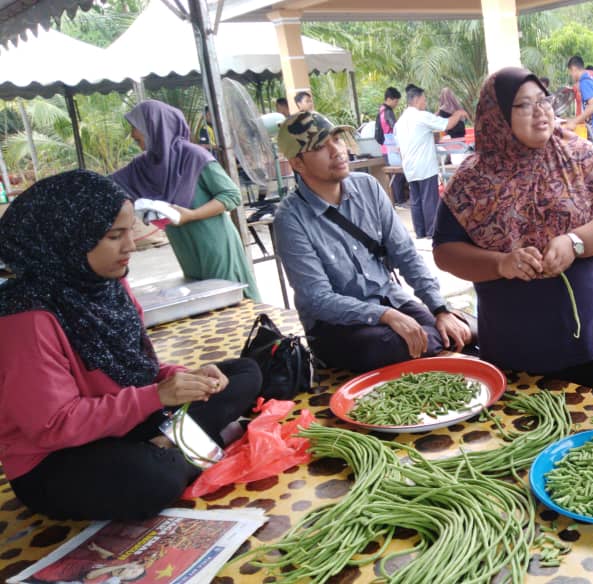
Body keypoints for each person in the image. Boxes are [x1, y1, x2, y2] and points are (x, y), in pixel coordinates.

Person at [0, 170, 262, 521]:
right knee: (153, 479)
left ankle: (173, 446)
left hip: (124, 423)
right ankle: (186, 445)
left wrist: (184, 377)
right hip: (55, 458)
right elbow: (53, 426)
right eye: (114, 236)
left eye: (129, 232)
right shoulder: (25, 319)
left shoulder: (108, 286)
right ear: (68, 239)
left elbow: (142, 369)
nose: (131, 246)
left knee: (245, 372)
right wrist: (158, 397)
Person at [434, 67, 593, 391]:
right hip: (513, 352)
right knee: (528, 436)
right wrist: (500, 264)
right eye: (524, 105)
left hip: (592, 342)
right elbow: (445, 251)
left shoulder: (580, 157)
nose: (541, 112)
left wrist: (576, 242)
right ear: (497, 114)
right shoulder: (472, 180)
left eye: (543, 101)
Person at [273, 111, 473, 372]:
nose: (337, 151)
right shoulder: (290, 219)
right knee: (384, 346)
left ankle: (437, 335)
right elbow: (317, 299)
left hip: (391, 300)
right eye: (321, 147)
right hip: (337, 325)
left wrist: (439, 309)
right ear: (298, 164)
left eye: (337, 139)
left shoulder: (367, 187)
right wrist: (385, 316)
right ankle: (429, 340)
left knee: (459, 330)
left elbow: (405, 255)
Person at [112, 100, 260, 300]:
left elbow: (231, 195)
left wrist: (192, 215)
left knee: (230, 297)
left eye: (135, 127)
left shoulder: (193, 156)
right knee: (204, 300)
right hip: (183, 245)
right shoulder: (145, 165)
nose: (132, 135)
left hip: (213, 242)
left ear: (155, 126)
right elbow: (110, 185)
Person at [394, 84, 468, 238]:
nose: (425, 103)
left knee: (416, 200)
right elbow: (447, 124)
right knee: (429, 199)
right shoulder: (421, 116)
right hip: (425, 165)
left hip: (409, 167)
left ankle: (420, 232)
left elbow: (399, 148)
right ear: (416, 99)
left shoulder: (400, 122)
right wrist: (459, 113)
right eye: (424, 99)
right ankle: (431, 232)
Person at [377, 86, 407, 206]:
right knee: (397, 174)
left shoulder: (381, 110)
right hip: (391, 148)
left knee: (395, 175)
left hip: (386, 148)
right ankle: (400, 201)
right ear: (389, 99)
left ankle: (399, 200)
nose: (396, 104)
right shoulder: (387, 112)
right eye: (395, 101)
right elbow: (395, 128)